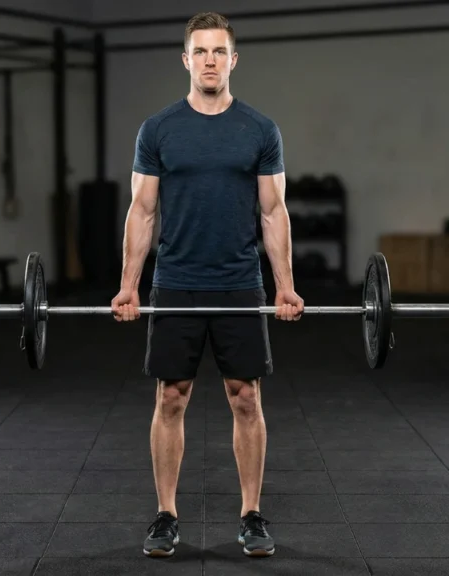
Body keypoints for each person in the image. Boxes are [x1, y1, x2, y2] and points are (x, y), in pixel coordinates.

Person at [111, 12, 305, 559]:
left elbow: (273, 212)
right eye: (201, 52)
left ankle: (250, 514)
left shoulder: (261, 130)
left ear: (233, 60)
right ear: (187, 60)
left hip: (240, 283)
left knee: (245, 397)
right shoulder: (158, 129)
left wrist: (284, 286)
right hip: (176, 282)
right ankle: (165, 515)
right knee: (171, 396)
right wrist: (130, 285)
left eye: (220, 51)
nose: (211, 61)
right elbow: (142, 211)